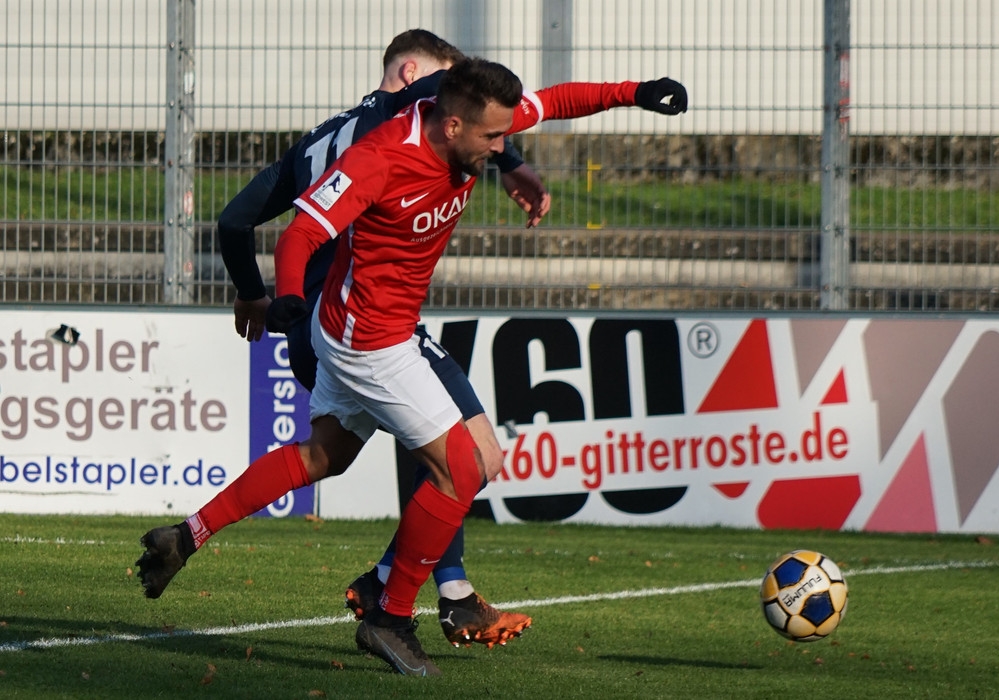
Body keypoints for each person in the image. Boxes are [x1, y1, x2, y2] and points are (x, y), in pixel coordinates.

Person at [262, 58, 688, 675]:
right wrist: (279, 295)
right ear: (432, 96)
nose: (501, 144)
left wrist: (636, 92)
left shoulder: (467, 128)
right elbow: (285, 228)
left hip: (392, 329)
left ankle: (391, 584)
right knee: (464, 463)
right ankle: (409, 605)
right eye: (493, 137)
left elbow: (555, 102)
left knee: (444, 461)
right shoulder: (381, 145)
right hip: (364, 332)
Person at [136, 30, 544, 649]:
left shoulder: (317, 141)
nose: (449, 90)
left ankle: (191, 535)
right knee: (470, 459)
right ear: (413, 74)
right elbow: (300, 233)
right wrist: (513, 165)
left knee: (328, 454)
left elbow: (234, 219)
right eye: (445, 76)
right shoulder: (402, 124)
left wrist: (253, 294)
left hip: (313, 327)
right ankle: (429, 596)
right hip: (369, 323)